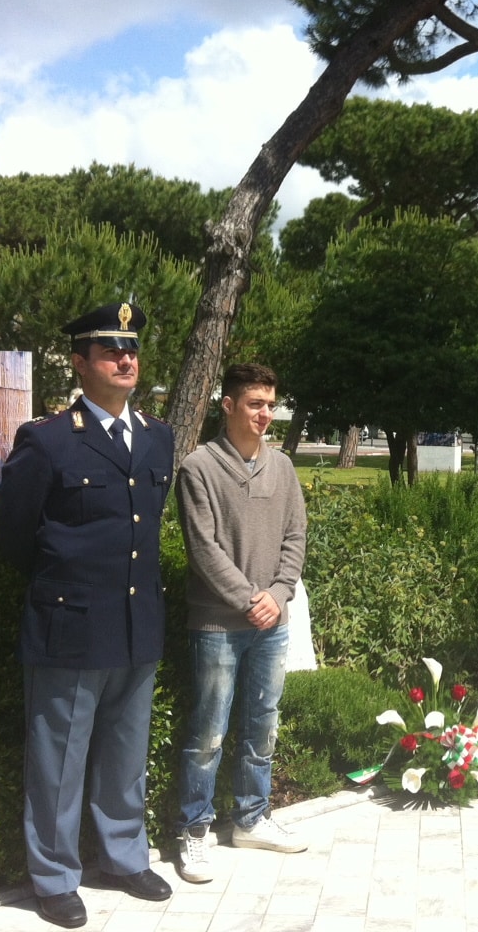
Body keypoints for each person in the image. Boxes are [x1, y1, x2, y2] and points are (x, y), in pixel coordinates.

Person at [0, 302, 174, 929]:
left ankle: (124, 858)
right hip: (69, 626)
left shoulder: (158, 435)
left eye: (130, 349)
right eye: (108, 351)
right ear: (80, 362)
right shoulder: (45, 440)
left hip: (137, 623)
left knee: (127, 754)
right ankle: (54, 876)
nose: (126, 360)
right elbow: (13, 536)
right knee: (59, 762)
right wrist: (63, 590)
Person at [173, 363, 308, 884]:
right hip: (218, 625)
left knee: (262, 723)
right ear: (227, 405)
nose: (265, 414)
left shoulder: (284, 468)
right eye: (255, 404)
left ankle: (251, 818)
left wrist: (276, 596)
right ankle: (194, 829)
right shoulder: (198, 467)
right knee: (208, 730)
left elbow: (295, 537)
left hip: (271, 622)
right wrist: (249, 599)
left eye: (270, 405)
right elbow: (202, 548)